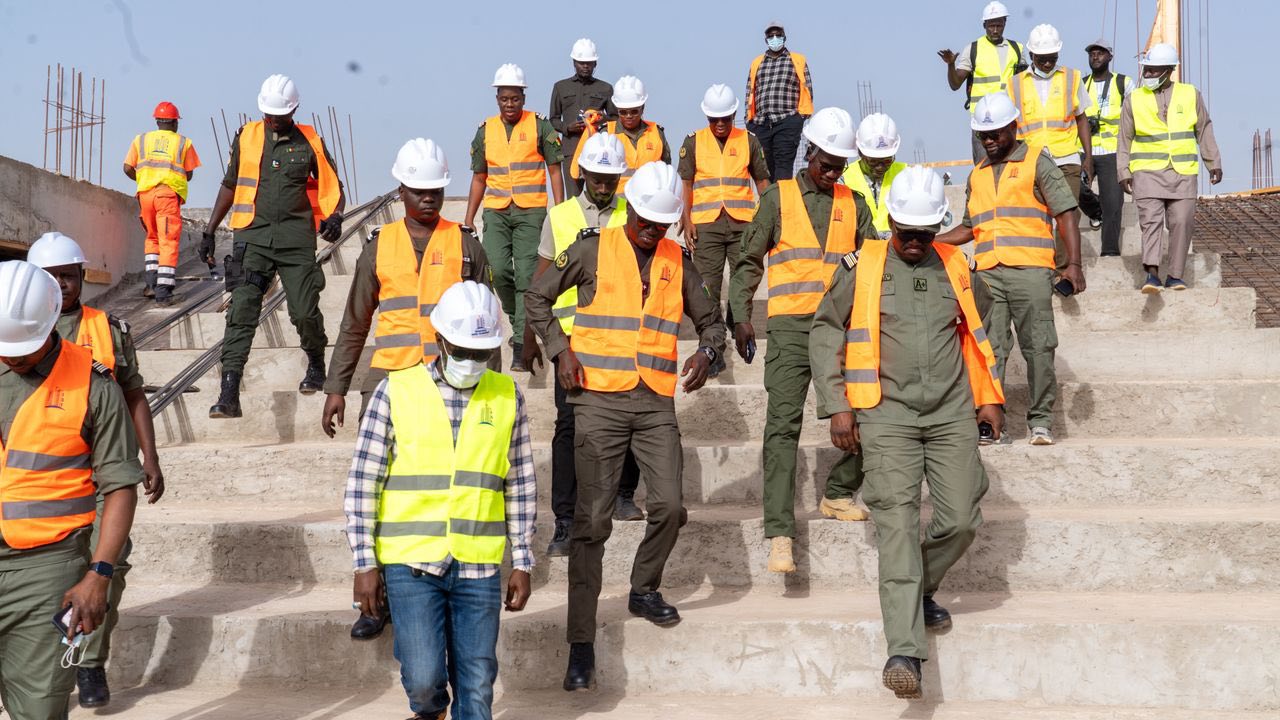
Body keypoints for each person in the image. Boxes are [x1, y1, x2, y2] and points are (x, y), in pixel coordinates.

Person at [524, 161, 725, 692]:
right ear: (630, 207)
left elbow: (710, 319)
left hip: (655, 401)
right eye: (645, 221)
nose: (650, 230)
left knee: (669, 506)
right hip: (596, 401)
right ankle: (581, 644)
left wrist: (708, 351)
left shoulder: (676, 259)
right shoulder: (591, 247)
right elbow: (536, 297)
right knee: (590, 525)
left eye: (660, 224)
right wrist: (559, 349)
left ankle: (643, 588)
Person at [809, 167, 1005, 700]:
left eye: (924, 232)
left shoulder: (957, 266)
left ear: (937, 225)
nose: (915, 242)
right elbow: (826, 328)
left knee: (962, 517)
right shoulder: (864, 263)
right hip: (885, 413)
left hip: (949, 412)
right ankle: (904, 652)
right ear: (890, 221)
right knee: (896, 525)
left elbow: (981, 327)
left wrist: (989, 395)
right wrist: (836, 405)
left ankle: (920, 586)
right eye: (906, 232)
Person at [320, 139, 491, 641]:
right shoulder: (379, 246)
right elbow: (355, 322)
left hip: (450, 382)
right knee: (382, 490)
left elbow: (486, 319)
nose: (429, 199)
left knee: (444, 486)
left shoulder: (466, 245)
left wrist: (490, 382)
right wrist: (338, 387)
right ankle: (376, 600)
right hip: (393, 383)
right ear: (401, 191)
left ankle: (447, 585)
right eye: (419, 191)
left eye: (436, 190)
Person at [344, 280, 535, 720]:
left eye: (481, 353)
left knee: (478, 681)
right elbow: (363, 481)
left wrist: (522, 561)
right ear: (440, 340)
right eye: (463, 351)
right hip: (411, 563)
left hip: (478, 563)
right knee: (426, 678)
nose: (472, 361)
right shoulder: (395, 391)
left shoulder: (507, 396)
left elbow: (521, 482)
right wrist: (364, 563)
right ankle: (429, 712)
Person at [728, 107, 878, 574]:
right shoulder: (777, 198)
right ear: (807, 152)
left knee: (872, 417)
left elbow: (876, 261)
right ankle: (780, 532)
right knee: (782, 429)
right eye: (825, 162)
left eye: (840, 165)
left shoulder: (854, 203)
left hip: (842, 329)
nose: (832, 172)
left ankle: (836, 492)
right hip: (791, 330)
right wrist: (741, 316)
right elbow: (750, 259)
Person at [25, 232, 165, 709]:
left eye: (68, 275)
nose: (60, 285)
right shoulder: (15, 327)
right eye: (50, 277)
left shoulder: (108, 328)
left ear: (82, 277)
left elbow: (132, 393)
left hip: (106, 470)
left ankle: (87, 662)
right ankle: (42, 662)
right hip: (47, 475)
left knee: (108, 566)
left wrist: (150, 455)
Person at [0, 260, 140, 720]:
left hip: (44, 571)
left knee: (37, 711)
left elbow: (119, 486)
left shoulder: (94, 385)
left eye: (22, 348)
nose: (11, 357)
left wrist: (98, 575)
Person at [936, 93, 1085, 446]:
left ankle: (1041, 420)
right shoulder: (977, 175)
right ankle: (992, 423)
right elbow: (969, 228)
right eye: (982, 136)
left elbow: (1065, 213)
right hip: (988, 274)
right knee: (990, 350)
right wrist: (931, 240)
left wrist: (1074, 264)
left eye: (994, 134)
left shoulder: (1037, 162)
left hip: (1031, 271)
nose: (988, 141)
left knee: (1038, 347)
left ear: (1013, 128)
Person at [523, 133, 646, 557]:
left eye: (611, 177)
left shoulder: (633, 212)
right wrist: (532, 338)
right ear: (583, 173)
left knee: (630, 420)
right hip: (573, 342)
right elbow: (541, 282)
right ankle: (564, 519)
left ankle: (625, 495)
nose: (604, 183)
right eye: (597, 175)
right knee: (569, 427)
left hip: (625, 336)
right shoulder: (559, 217)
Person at [199, 74, 346, 419]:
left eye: (279, 115)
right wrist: (209, 230)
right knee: (242, 312)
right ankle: (229, 392)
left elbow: (333, 187)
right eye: (268, 114)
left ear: (294, 110)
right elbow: (230, 184)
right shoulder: (246, 136)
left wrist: (335, 217)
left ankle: (315, 364)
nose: (272, 120)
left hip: (296, 240)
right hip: (253, 236)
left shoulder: (310, 141)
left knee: (304, 311)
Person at [465, 63, 565, 372]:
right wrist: (469, 219)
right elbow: (479, 177)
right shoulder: (486, 130)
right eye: (504, 99)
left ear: (523, 96)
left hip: (531, 211)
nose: (510, 104)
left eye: (515, 98)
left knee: (526, 276)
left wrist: (559, 212)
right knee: (496, 270)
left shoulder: (540, 126)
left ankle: (522, 342)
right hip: (496, 210)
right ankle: (515, 317)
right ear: (497, 98)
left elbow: (554, 170)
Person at [1117, 42, 1223, 293]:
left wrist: (1213, 162)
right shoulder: (1133, 100)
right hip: (1147, 172)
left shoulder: (1190, 94)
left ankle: (1175, 276)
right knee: (1150, 223)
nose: (1148, 75)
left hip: (1182, 172)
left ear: (1169, 70)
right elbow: (1123, 138)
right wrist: (1123, 170)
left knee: (1182, 222)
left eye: (1154, 70)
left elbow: (1204, 129)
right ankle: (1151, 275)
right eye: (1147, 70)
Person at [677, 84, 771, 357]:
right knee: (707, 287)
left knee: (743, 279)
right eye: (713, 119)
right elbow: (686, 184)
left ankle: (737, 321)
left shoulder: (749, 140)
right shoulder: (693, 142)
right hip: (706, 224)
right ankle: (712, 348)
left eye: (725, 118)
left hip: (743, 223)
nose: (719, 124)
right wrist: (687, 219)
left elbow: (763, 183)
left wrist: (769, 218)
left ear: (734, 116)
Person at [1009, 23, 1093, 271]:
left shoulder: (1072, 77)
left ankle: (1064, 268)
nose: (1048, 63)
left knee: (1068, 213)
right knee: (1034, 216)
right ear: (1032, 55)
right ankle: (1038, 264)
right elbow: (1009, 125)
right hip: (1030, 159)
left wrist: (1087, 156)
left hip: (1066, 157)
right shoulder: (1014, 84)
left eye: (1052, 58)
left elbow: (1081, 118)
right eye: (1043, 59)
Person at [122, 101, 201, 305]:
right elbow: (189, 174)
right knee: (168, 241)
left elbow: (127, 168)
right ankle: (164, 293)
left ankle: (150, 285)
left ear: (157, 121)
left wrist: (145, 179)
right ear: (175, 123)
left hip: (145, 195)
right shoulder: (184, 143)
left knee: (152, 238)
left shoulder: (141, 140)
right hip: (166, 196)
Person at [938, 1, 1026, 161]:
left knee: (1014, 165)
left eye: (999, 25)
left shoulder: (1017, 49)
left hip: (1009, 118)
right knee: (984, 168)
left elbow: (1026, 83)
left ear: (1005, 23)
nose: (995, 30)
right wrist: (951, 64)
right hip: (983, 120)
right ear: (984, 25)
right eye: (991, 26)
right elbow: (955, 84)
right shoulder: (973, 49)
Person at [1078, 39, 1134, 256]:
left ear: (1110, 57)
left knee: (1114, 202)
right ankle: (1096, 211)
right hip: (1085, 150)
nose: (1095, 56)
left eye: (1100, 53)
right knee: (1077, 189)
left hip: (1112, 152)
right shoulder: (1081, 84)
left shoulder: (1123, 83)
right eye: (1091, 53)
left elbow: (1134, 115)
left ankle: (1110, 251)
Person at [569, 75, 670, 194]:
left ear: (642, 108)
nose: (628, 116)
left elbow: (666, 172)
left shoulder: (657, 133)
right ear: (617, 110)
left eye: (634, 111)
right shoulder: (606, 133)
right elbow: (587, 173)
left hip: (649, 205)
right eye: (623, 112)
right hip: (616, 206)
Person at [745, 20, 814, 181]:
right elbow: (750, 92)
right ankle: (769, 202)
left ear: (784, 37)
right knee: (763, 168)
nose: (774, 38)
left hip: (787, 120)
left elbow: (807, 89)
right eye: (771, 35)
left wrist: (800, 118)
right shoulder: (757, 63)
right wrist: (749, 120)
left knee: (783, 165)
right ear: (766, 40)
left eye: (778, 35)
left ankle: (782, 203)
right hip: (761, 122)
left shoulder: (796, 60)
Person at [549, 39, 616, 197]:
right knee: (574, 198)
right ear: (574, 62)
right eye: (581, 62)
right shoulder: (561, 87)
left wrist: (601, 118)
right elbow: (553, 119)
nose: (585, 66)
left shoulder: (605, 88)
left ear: (595, 64)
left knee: (600, 194)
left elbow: (616, 118)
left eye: (589, 63)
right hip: (571, 150)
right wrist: (567, 128)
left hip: (599, 151)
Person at [842, 113, 909, 239]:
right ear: (861, 153)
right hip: (860, 248)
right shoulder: (844, 177)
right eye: (873, 161)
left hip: (897, 249)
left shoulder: (906, 174)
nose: (880, 167)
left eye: (887, 161)